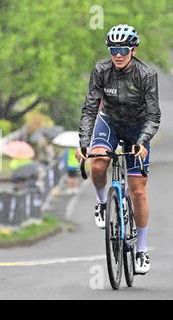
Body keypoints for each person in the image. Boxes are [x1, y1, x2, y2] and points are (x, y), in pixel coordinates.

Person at [76, 24, 161, 274]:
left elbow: (154, 116)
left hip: (138, 126)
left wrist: (143, 141)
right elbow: (90, 108)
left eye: (123, 49)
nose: (118, 55)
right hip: (110, 121)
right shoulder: (101, 70)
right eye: (113, 50)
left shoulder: (146, 75)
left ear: (133, 50)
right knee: (98, 163)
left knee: (137, 191)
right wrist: (83, 142)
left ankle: (142, 250)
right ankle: (103, 202)